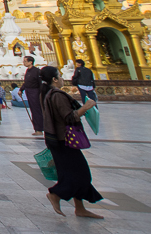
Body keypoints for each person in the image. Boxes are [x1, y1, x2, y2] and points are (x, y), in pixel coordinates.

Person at [40, 65, 103, 219]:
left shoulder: (49, 94)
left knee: (71, 173)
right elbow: (69, 117)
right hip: (64, 140)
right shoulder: (57, 95)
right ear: (54, 79)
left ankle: (80, 208)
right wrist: (87, 106)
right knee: (81, 174)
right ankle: (56, 194)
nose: (62, 78)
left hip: (59, 140)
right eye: (59, 76)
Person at [22, 56, 44, 135]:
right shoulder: (28, 71)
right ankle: (36, 128)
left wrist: (41, 94)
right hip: (29, 91)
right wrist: (21, 89)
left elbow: (40, 83)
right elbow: (26, 82)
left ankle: (39, 129)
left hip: (35, 92)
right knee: (33, 110)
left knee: (36, 110)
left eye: (25, 61)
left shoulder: (37, 71)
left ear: (30, 62)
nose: (24, 63)